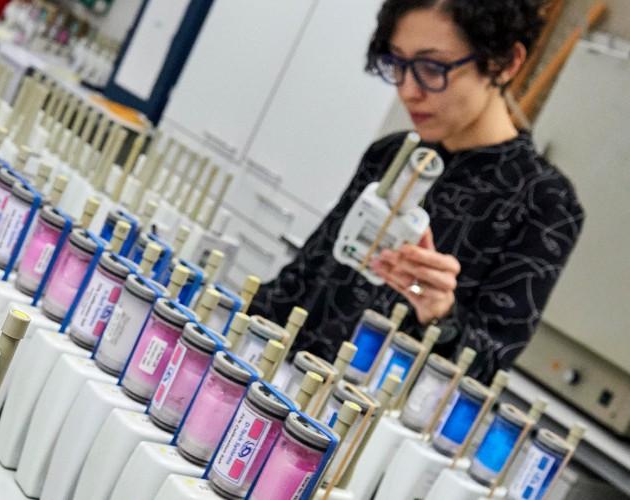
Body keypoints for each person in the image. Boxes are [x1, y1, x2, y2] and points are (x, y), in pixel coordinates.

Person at [247, 0, 585, 383]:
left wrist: (440, 312)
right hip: (279, 389)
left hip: (367, 424)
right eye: (398, 63)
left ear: (505, 62)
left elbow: (483, 373)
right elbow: (305, 277)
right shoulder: (393, 154)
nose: (408, 90)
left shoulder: (545, 202)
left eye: (431, 68)